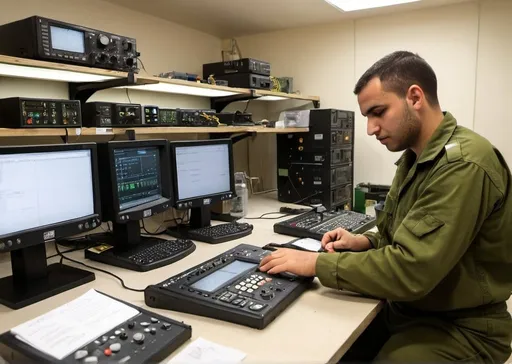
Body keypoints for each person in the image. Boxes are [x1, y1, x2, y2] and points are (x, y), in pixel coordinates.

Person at [259, 51, 512, 362]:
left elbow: (411, 269)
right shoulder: (415, 158)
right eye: (367, 115)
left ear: (415, 97)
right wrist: (365, 241)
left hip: (465, 328)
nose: (370, 128)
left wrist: (313, 264)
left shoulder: (464, 165)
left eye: (378, 112)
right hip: (411, 310)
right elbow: (403, 235)